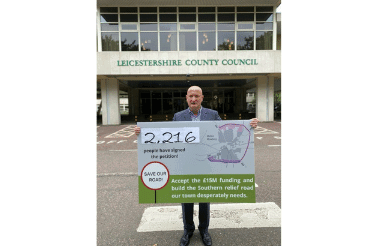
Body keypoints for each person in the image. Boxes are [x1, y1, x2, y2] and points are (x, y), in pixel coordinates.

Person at [135, 86, 259, 246]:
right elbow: (166, 135)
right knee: (186, 197)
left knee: (204, 198)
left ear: (202, 98)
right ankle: (188, 230)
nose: (193, 99)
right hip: (185, 162)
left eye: (197, 96)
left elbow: (226, 129)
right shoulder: (178, 116)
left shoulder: (212, 115)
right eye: (191, 96)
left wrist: (249, 124)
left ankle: (204, 230)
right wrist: (142, 132)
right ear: (186, 98)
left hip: (206, 163)